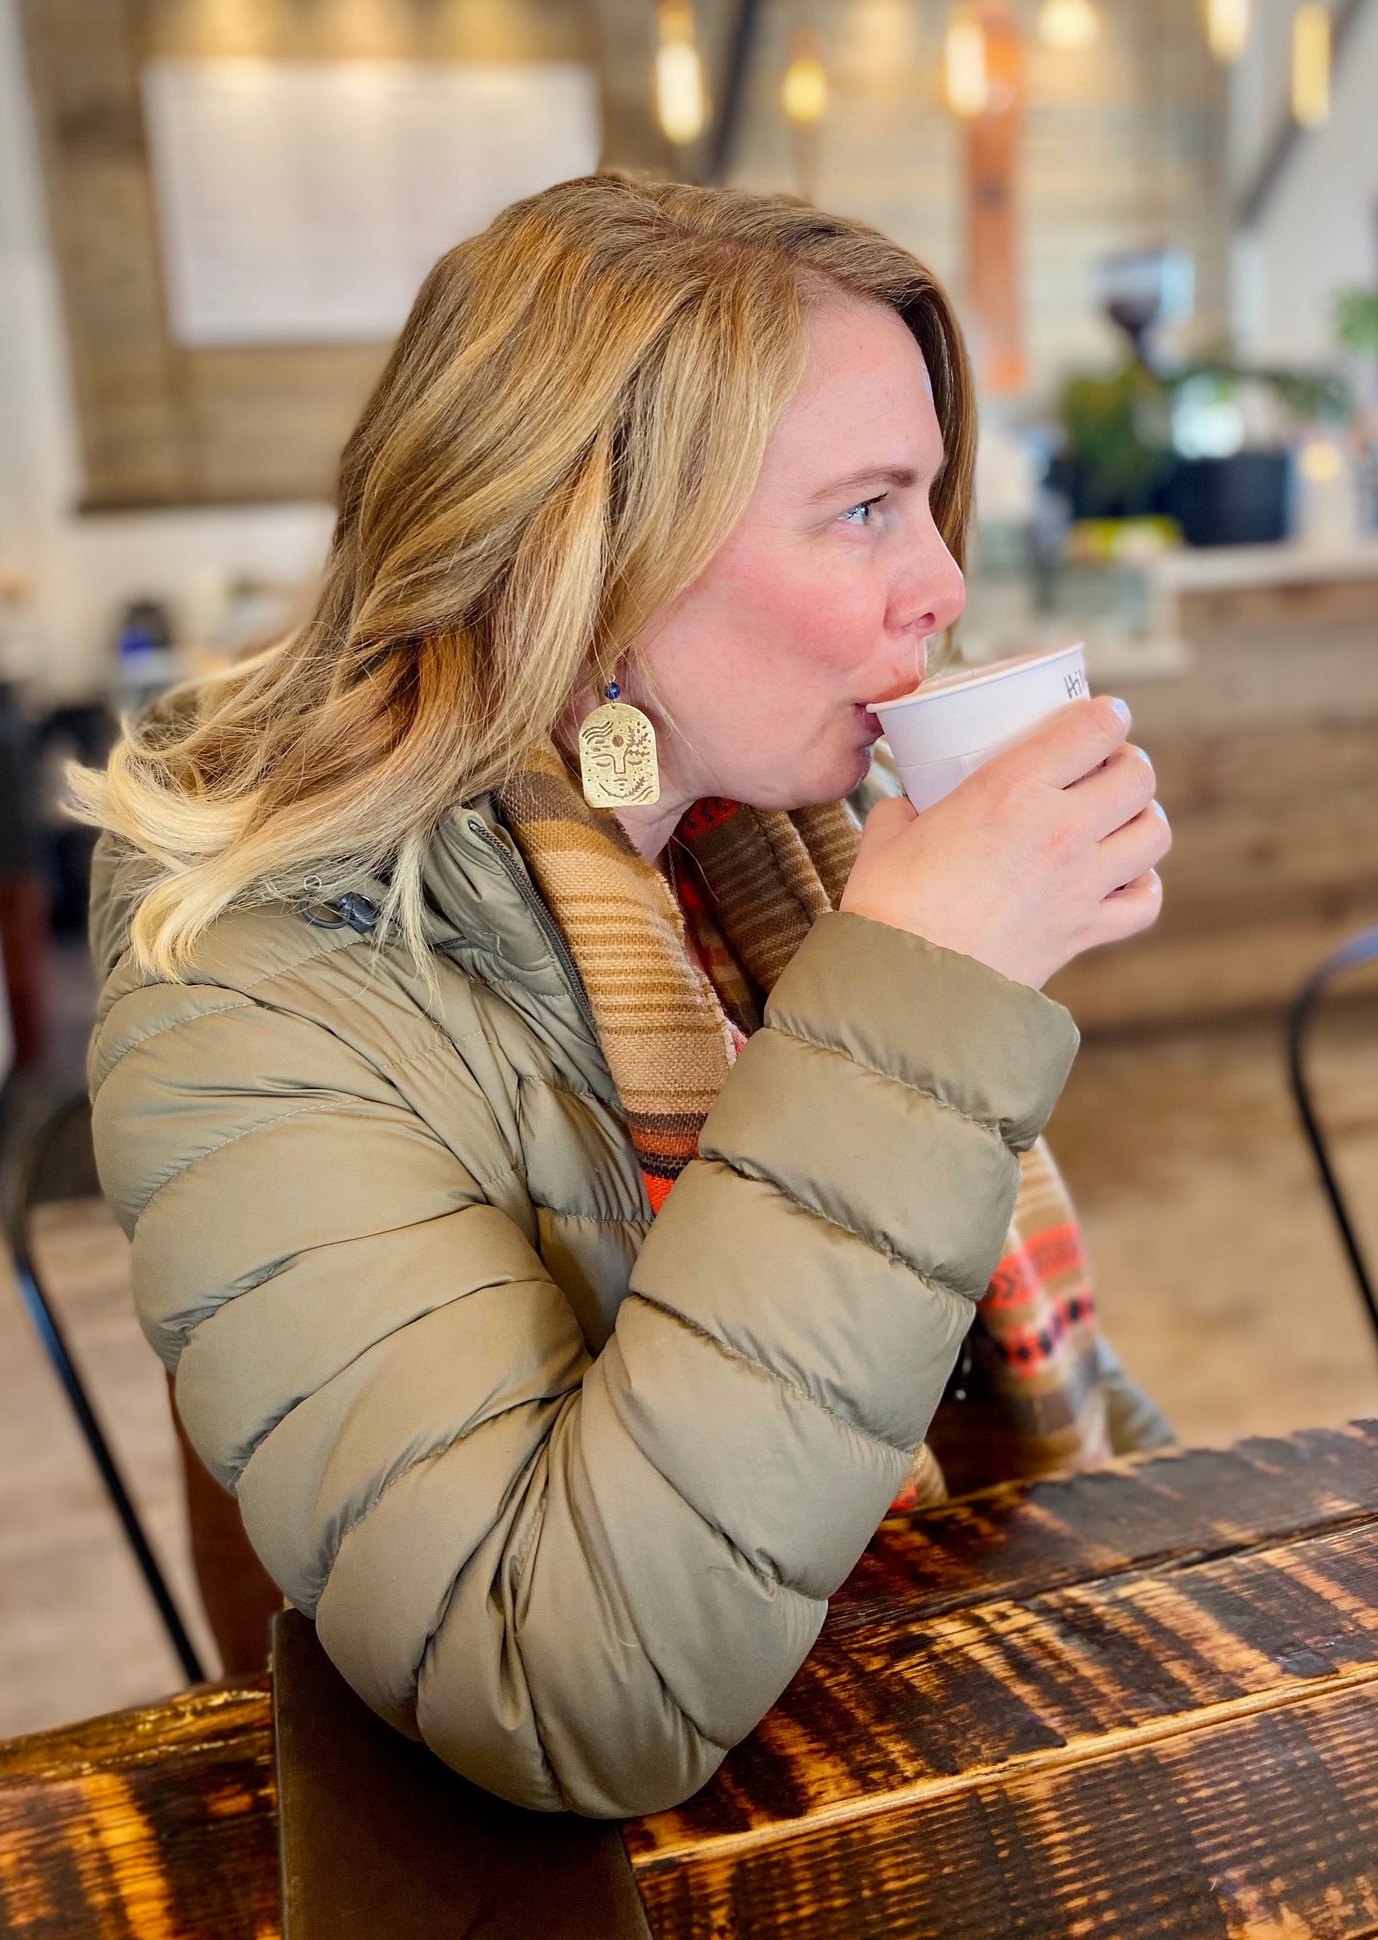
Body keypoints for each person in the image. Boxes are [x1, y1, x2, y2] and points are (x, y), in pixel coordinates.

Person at [73, 175, 1172, 1818]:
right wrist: (922, 1004)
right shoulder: (253, 990)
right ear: (596, 549)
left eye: (930, 499)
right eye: (866, 508)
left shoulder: (755, 854)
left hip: (908, 1714)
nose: (940, 585)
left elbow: (979, 1371)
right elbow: (559, 1687)